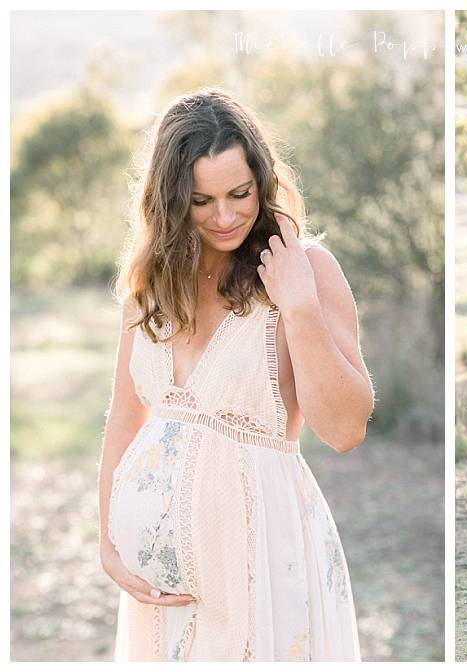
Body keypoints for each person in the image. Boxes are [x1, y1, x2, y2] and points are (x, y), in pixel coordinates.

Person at [97, 87, 374, 661]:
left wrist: (299, 307)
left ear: (264, 181)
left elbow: (345, 429)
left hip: (262, 565)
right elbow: (127, 414)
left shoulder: (308, 269)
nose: (224, 217)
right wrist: (108, 537)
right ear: (171, 201)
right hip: (161, 594)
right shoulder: (151, 279)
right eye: (201, 201)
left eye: (239, 193)